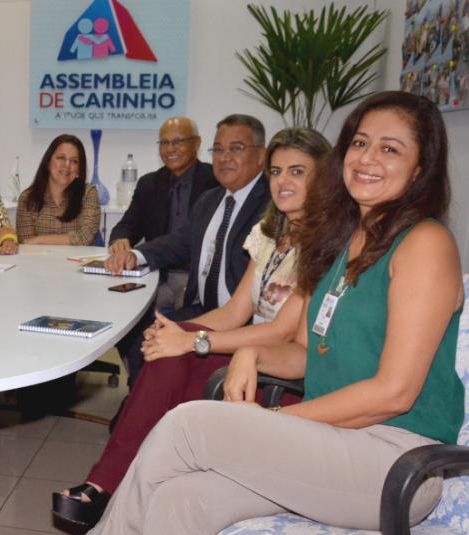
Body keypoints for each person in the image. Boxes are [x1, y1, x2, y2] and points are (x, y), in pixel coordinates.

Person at [90, 91, 464, 534]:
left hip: (393, 459)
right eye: (361, 143)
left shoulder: (424, 244)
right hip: (332, 441)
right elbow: (305, 352)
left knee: (187, 426)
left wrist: (274, 421)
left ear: (420, 168)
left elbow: (394, 393)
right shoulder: (344, 244)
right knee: (181, 498)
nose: (367, 158)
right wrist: (252, 355)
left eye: (390, 149)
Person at [53, 127, 331, 528]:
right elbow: (235, 311)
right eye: (276, 172)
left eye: (297, 172)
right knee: (165, 354)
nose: (282, 181)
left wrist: (192, 340)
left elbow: (280, 334)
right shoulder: (271, 233)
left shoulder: (326, 244)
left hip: (275, 372)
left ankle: (112, 487)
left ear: (324, 177)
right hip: (247, 351)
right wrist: (177, 331)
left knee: (172, 366)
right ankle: (112, 485)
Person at [107, 114, 271, 381]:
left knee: (156, 344)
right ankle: (145, 400)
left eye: (236, 148)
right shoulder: (211, 199)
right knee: (141, 337)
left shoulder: (272, 206)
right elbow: (180, 242)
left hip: (243, 320)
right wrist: (136, 254)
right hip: (203, 306)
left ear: (261, 156)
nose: (224, 157)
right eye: (218, 149)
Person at [108, 117, 217, 310]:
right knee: (117, 306)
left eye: (178, 141)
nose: (170, 149)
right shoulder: (149, 184)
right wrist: (120, 239)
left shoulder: (215, 182)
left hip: (195, 278)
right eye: (164, 143)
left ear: (197, 143)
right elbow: (128, 225)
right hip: (156, 274)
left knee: (181, 321)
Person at [16, 135, 100, 245]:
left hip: (78, 257)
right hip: (40, 257)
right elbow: (26, 244)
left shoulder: (88, 193)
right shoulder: (28, 199)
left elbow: (85, 238)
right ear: (48, 162)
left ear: (79, 170)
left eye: (74, 161)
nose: (67, 165)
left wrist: (39, 240)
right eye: (61, 158)